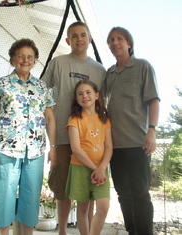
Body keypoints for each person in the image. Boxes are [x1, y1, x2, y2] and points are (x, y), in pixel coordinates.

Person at [0, 38, 56, 235]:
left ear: (35, 60)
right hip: (5, 148)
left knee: (30, 197)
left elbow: (50, 118)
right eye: (20, 55)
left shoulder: (42, 87)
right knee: (4, 195)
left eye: (30, 56)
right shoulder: (2, 84)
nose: (25, 60)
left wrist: (53, 147)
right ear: (13, 58)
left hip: (35, 150)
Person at [42, 21, 106, 235]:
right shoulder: (58, 63)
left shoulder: (100, 70)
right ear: (68, 40)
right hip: (62, 135)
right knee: (63, 188)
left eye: (83, 34)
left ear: (90, 39)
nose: (79, 38)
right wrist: (48, 117)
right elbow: (42, 91)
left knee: (89, 189)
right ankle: (62, 230)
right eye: (74, 36)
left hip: (92, 140)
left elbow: (104, 102)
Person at [104, 26, 160, 235]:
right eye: (111, 40)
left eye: (119, 39)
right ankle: (132, 231)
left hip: (138, 142)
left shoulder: (143, 66)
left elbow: (154, 100)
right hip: (114, 146)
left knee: (140, 193)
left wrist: (152, 130)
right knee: (122, 194)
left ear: (129, 43)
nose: (115, 43)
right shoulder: (109, 73)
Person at [65, 80, 112, 235]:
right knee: (83, 208)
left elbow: (109, 147)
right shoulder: (75, 119)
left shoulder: (105, 119)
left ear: (97, 95)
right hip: (80, 168)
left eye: (88, 92)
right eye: (80, 94)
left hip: (101, 170)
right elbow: (76, 149)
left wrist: (102, 168)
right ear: (76, 99)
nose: (84, 96)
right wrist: (95, 169)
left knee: (103, 207)